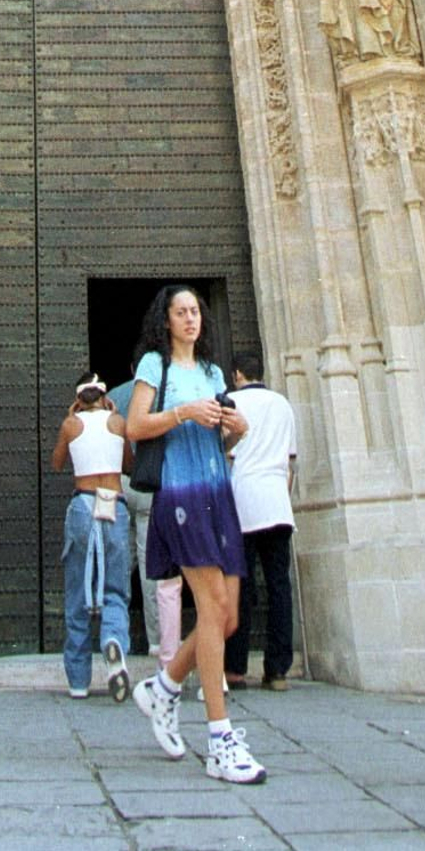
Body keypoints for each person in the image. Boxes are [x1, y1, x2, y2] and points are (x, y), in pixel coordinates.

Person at [127, 286, 265, 786]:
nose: (191, 319)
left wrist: (235, 427)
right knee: (210, 607)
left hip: (216, 491)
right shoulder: (153, 367)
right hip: (179, 493)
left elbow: (219, 436)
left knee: (226, 616)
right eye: (181, 312)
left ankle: (164, 687)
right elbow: (135, 427)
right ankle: (221, 737)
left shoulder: (210, 373)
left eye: (195, 312)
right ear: (165, 320)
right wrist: (184, 413)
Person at [50, 372, 132, 701]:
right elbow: (128, 463)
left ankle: (79, 680)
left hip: (83, 503)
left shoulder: (72, 425)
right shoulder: (117, 422)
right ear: (104, 395)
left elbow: (57, 463)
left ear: (78, 398)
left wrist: (71, 421)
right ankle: (113, 640)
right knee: (115, 585)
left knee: (78, 589)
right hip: (113, 502)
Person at [223, 348, 298, 693]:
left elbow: (227, 454)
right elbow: (290, 461)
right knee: (279, 586)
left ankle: (235, 670)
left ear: (237, 374)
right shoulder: (282, 404)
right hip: (278, 503)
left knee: (241, 586)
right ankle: (278, 669)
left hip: (243, 501)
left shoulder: (233, 404)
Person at [110, 370, 182, 669]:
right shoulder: (163, 395)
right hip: (150, 483)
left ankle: (111, 631)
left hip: (120, 483)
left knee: (119, 560)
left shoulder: (114, 396)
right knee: (150, 562)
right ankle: (157, 640)